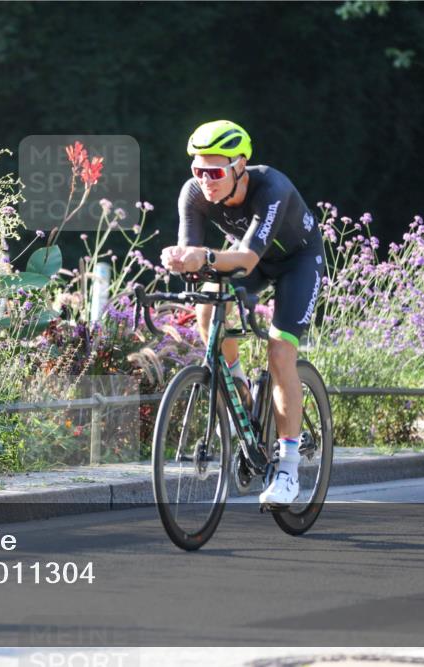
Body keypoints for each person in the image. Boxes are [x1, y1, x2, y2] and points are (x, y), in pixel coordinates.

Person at [160, 120, 325, 505]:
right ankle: (240, 387)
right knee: (206, 300)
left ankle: (287, 468)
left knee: (279, 349)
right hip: (249, 259)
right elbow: (197, 259)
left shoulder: (271, 187)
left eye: (214, 172)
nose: (205, 180)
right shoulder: (194, 194)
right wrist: (181, 260)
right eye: (198, 170)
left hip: (296, 262)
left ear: (238, 167)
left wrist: (206, 256)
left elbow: (248, 258)